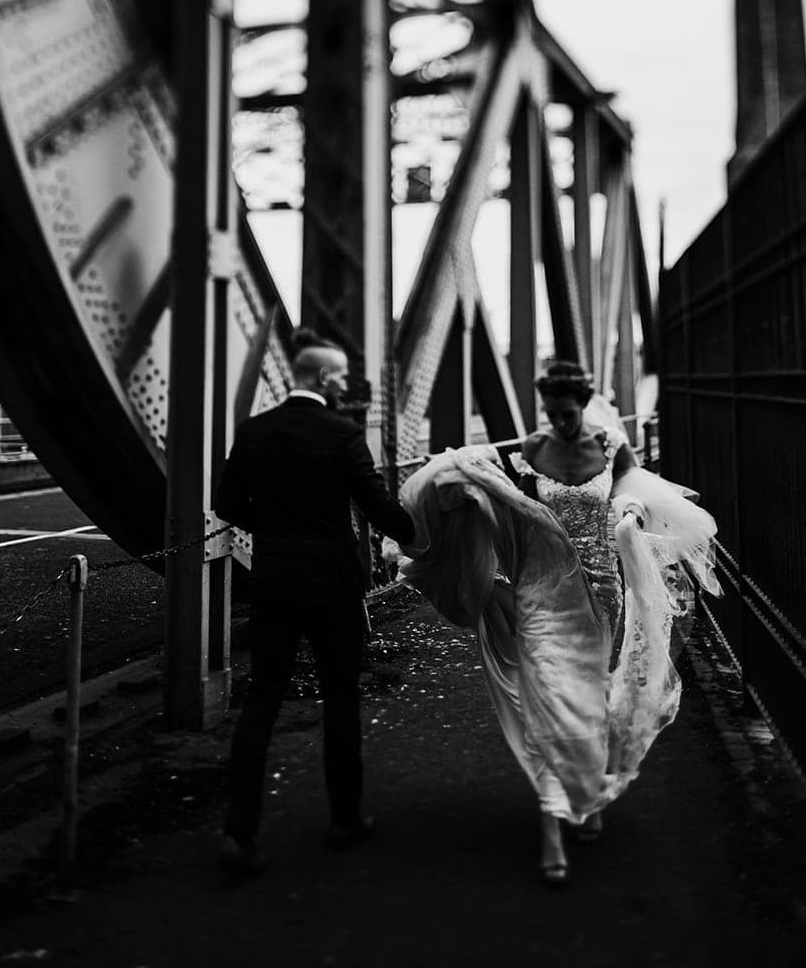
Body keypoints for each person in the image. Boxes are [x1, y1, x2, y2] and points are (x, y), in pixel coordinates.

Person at [390, 359, 719, 888]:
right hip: (541, 592)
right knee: (548, 697)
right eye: (551, 413)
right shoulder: (529, 450)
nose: (559, 423)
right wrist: (454, 479)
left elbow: (632, 487)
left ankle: (585, 799)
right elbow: (493, 489)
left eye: (567, 414)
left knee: (588, 699)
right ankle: (551, 823)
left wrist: (630, 510)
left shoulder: (613, 445)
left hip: (602, 589)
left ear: (583, 404)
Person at [213, 328, 416, 878]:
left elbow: (226, 502)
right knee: (341, 695)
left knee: (262, 700)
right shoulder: (341, 432)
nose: (347, 385)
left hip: (275, 578)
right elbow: (377, 505)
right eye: (341, 376)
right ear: (323, 377)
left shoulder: (254, 430)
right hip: (332, 582)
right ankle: (344, 819)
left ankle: (239, 831)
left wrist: (279, 534)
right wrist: (421, 535)